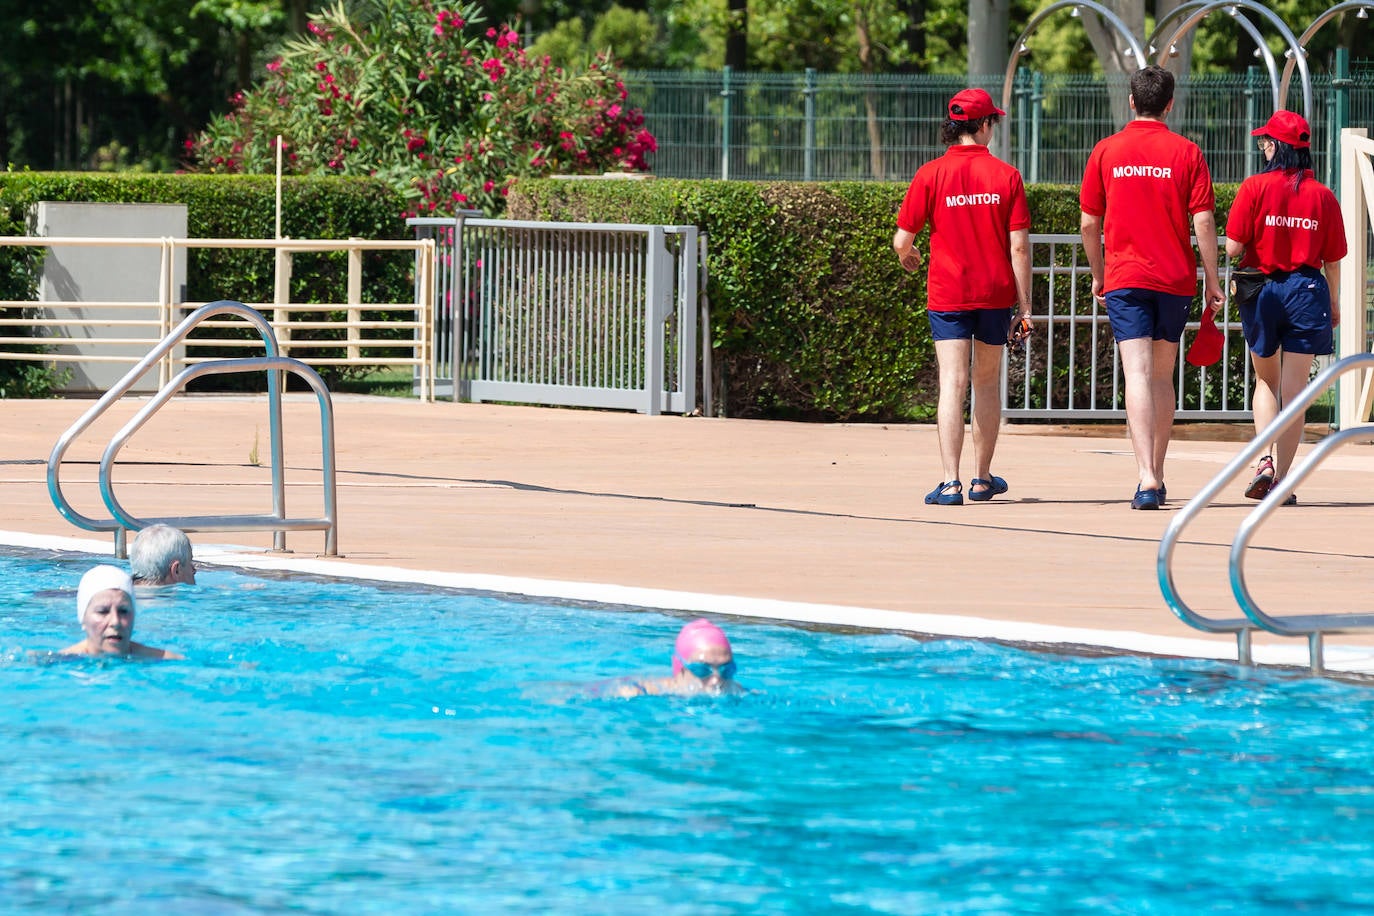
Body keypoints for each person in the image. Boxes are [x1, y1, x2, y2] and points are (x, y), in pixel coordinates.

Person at [1080, 65, 1225, 510]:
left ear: (1131, 102)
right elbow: (1202, 220)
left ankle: (1145, 478)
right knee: (1162, 375)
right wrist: (1213, 281)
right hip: (1174, 278)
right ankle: (1158, 473)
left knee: (1137, 375)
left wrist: (1100, 273)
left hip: (1125, 278)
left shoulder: (1106, 150)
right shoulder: (1187, 152)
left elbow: (1089, 222)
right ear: (1169, 103)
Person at [893, 87, 1033, 506]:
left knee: (951, 383)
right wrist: (1025, 306)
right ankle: (982, 478)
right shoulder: (1006, 176)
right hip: (994, 294)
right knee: (986, 383)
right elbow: (1020, 248)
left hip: (948, 292)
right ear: (985, 124)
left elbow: (902, 239)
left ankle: (950, 482)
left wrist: (910, 256)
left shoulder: (930, 174)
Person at [1224, 110, 1346, 506]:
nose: (1262, 146)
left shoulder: (1255, 187)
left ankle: (1264, 461)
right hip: (1307, 289)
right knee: (1295, 392)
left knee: (1266, 382)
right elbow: (1333, 259)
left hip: (1262, 288)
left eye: (1265, 141)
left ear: (1277, 147)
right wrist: (1334, 301)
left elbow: (1233, 247)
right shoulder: (1323, 195)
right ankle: (1285, 484)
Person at [61, 565, 183, 659]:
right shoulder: (57, 663)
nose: (115, 621)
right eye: (103, 611)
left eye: (123, 611)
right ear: (83, 618)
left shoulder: (169, 661)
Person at [615, 618, 744, 697]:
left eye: (727, 670)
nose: (717, 680)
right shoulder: (636, 694)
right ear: (680, 669)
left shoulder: (740, 694)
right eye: (702, 670)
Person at [129, 524, 196, 586]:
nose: (194, 570)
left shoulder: (123, 592)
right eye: (190, 562)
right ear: (176, 570)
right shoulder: (189, 596)